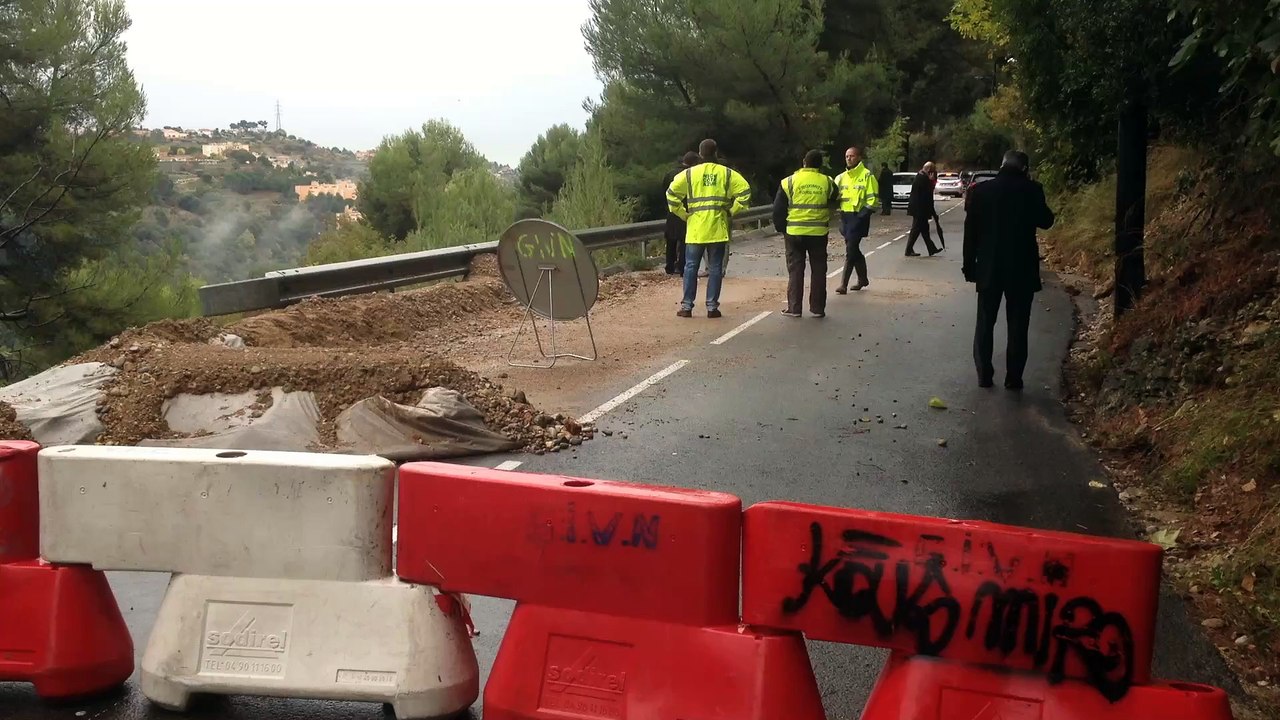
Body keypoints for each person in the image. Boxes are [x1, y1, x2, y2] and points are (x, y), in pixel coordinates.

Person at [962, 150, 1056, 390]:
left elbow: (970, 233)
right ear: (1024, 168)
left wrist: (968, 265)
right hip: (1021, 268)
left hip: (988, 267)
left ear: (1002, 165)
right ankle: (1014, 377)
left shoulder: (981, 191)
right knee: (1018, 324)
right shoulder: (1032, 190)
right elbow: (1046, 221)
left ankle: (984, 374)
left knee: (985, 322)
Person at [666, 138, 751, 318]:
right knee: (715, 268)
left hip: (696, 230)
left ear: (700, 153)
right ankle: (712, 307)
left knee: (690, 267)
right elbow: (745, 192)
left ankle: (687, 306)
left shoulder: (689, 174)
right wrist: (731, 211)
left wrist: (683, 214)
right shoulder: (727, 174)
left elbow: (671, 195)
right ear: (716, 152)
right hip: (718, 228)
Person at [773, 149, 838, 318]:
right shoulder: (828, 182)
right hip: (818, 232)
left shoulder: (789, 181)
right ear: (820, 164)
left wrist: (782, 229)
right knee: (818, 270)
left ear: (804, 162)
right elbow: (834, 200)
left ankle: (794, 308)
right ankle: (817, 309)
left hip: (794, 233)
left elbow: (778, 209)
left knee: (795, 270)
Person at [833, 146, 879, 294]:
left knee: (850, 250)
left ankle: (843, 285)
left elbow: (873, 200)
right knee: (853, 250)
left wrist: (862, 215)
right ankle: (863, 279)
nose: (849, 159)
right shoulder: (840, 177)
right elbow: (834, 197)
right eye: (847, 156)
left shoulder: (867, 176)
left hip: (859, 217)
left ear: (859, 157)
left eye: (852, 156)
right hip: (845, 217)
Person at [661, 152, 698, 275]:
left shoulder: (670, 174)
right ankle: (682, 267)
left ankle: (669, 266)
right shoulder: (693, 175)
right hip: (687, 210)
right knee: (684, 240)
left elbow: (664, 191)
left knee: (671, 239)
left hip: (672, 210)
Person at [905, 161, 941, 257]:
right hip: (919, 209)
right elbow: (927, 196)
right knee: (916, 230)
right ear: (929, 170)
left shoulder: (920, 176)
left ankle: (931, 249)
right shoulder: (923, 178)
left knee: (924, 230)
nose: (933, 173)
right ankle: (908, 250)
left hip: (919, 209)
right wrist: (931, 182)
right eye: (933, 171)